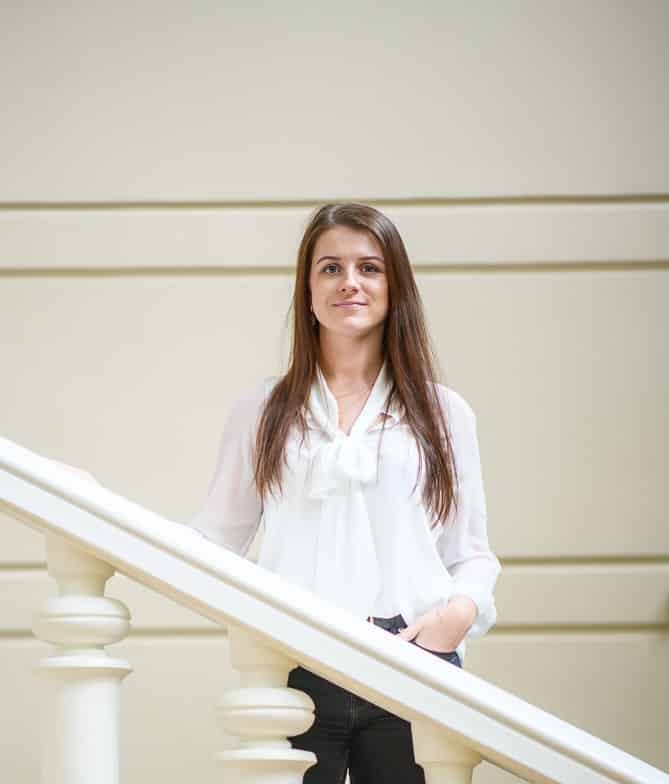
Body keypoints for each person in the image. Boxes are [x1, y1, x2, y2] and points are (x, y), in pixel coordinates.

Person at [189, 202, 501, 784]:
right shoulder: (264, 411)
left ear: (394, 287)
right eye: (330, 268)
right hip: (298, 661)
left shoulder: (443, 414)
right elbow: (213, 539)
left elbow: (471, 553)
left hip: (416, 661)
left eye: (369, 268)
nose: (349, 282)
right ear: (307, 290)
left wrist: (457, 616)